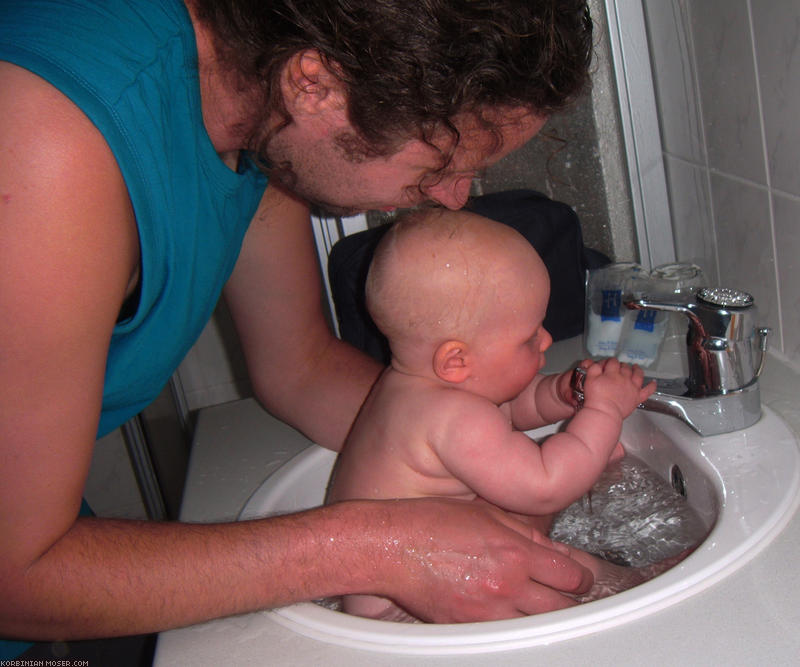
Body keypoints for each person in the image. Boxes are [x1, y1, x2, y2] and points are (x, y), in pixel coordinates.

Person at [0, 0, 595, 653]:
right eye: (438, 166)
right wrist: (374, 546)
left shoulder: (259, 109)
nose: (455, 198)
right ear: (316, 84)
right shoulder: (47, 139)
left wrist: (477, 461)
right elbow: (14, 573)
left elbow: (300, 366)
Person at [326, 209, 657, 621]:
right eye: (529, 336)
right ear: (457, 359)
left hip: (388, 588)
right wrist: (604, 413)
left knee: (529, 545)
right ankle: (640, 588)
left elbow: (511, 408)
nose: (547, 339)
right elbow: (546, 484)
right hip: (410, 611)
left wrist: (560, 393)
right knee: (560, 568)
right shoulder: (453, 417)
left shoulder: (414, 387)